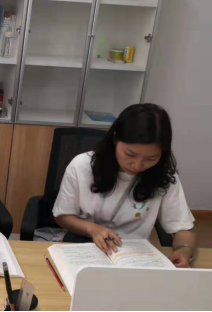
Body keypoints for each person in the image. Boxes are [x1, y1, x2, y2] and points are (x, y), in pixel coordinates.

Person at [53, 104, 196, 268]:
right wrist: (92, 229)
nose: (137, 165)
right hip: (83, 246)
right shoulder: (81, 166)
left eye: (151, 158)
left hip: (134, 256)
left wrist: (184, 250)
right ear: (115, 139)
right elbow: (62, 217)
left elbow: (183, 229)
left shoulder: (164, 177)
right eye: (130, 154)